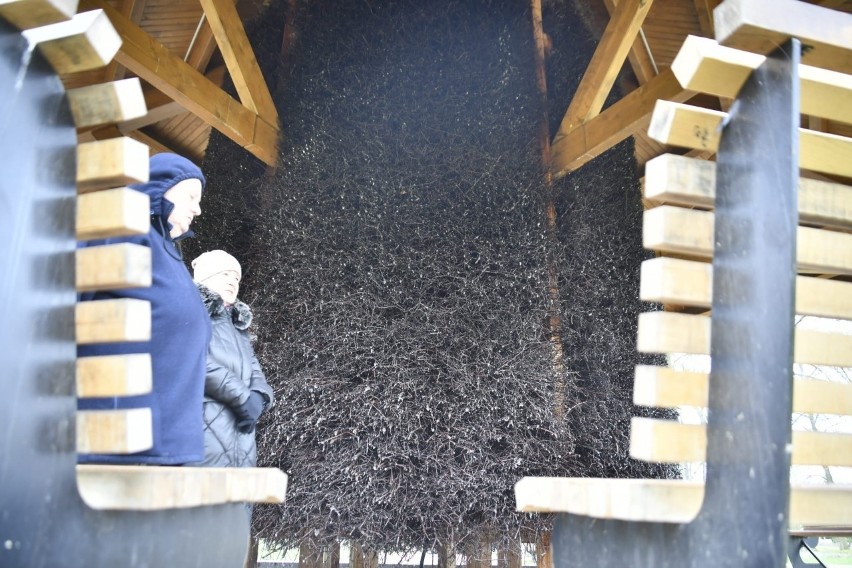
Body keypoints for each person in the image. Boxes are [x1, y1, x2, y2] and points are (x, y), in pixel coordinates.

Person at [78, 153, 211, 465]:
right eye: (191, 196)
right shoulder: (119, 227)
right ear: (159, 185)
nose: (198, 209)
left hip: (167, 445)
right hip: (117, 444)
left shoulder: (169, 253)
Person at [191, 250, 274, 468]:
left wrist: (260, 396)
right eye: (225, 274)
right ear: (207, 277)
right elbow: (195, 361)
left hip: (241, 437)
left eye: (236, 277)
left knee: (239, 500)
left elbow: (255, 369)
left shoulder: (238, 327)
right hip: (202, 430)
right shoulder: (190, 310)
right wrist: (242, 397)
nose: (232, 282)